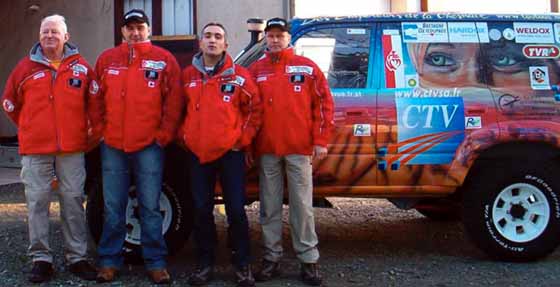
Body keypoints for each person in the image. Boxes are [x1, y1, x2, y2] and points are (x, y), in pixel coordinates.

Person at [1, 14, 102, 283]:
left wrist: (88, 132)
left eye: (55, 32)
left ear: (66, 37)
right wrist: (31, 128)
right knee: (37, 203)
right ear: (39, 36)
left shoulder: (81, 68)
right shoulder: (24, 69)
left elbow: (94, 104)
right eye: (45, 32)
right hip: (36, 150)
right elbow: (10, 103)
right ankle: (41, 259)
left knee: (72, 201)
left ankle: (77, 257)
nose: (49, 36)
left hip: (71, 149)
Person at [93, 9, 183, 284]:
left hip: (149, 146)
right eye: (130, 28)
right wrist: (100, 131)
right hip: (113, 146)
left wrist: (164, 135)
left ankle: (155, 262)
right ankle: (109, 261)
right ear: (122, 31)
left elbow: (174, 101)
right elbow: (95, 99)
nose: (135, 32)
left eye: (140, 28)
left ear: (148, 30)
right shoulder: (107, 60)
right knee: (113, 205)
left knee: (150, 206)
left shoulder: (164, 60)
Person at [248, 17, 334, 286]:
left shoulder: (307, 68)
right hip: (268, 151)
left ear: (289, 39)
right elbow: (248, 110)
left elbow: (323, 106)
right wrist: (249, 145)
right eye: (271, 36)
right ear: (266, 39)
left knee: (302, 206)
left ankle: (308, 260)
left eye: (280, 35)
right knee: (269, 207)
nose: (275, 40)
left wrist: (320, 141)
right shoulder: (255, 70)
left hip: (299, 149)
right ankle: (271, 257)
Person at [179, 22, 261, 287]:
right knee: (201, 209)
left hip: (230, 153)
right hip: (198, 154)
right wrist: (186, 137)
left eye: (218, 37)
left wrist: (241, 141)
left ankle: (242, 264)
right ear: (200, 43)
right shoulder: (187, 76)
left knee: (235, 209)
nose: (212, 41)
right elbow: (176, 110)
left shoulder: (239, 76)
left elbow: (254, 111)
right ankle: (205, 263)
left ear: (226, 45)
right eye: (208, 36)